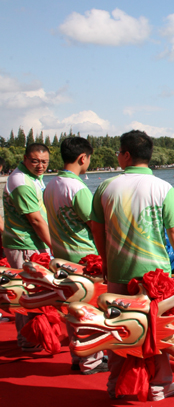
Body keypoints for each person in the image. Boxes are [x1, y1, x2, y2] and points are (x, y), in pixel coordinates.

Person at [90, 130, 174, 402]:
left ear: (125, 155)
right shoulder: (163, 188)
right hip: (155, 277)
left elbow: (97, 229)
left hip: (119, 271)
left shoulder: (106, 186)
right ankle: (160, 384)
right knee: (159, 329)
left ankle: (116, 384)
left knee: (118, 329)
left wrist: (105, 260)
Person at [42, 137, 106, 374]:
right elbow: (95, 224)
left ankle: (78, 356)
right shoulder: (77, 188)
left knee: (72, 309)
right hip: (84, 257)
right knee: (89, 310)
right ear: (83, 158)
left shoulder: (50, 185)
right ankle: (93, 359)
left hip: (61, 256)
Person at [3, 143, 52, 352]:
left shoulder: (31, 177)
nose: (40, 166)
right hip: (25, 244)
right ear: (25, 159)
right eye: (35, 161)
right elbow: (35, 220)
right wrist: (55, 246)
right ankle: (27, 340)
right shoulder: (21, 182)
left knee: (35, 292)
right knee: (28, 293)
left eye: (44, 162)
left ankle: (33, 336)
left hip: (32, 243)